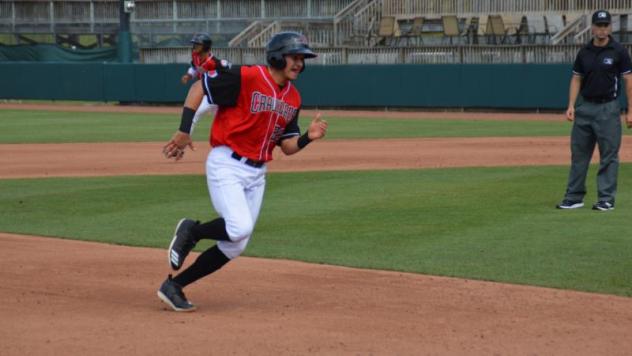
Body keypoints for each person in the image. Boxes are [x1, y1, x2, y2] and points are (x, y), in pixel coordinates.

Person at [157, 31, 328, 312]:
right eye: (294, 57)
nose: (299, 63)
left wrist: (308, 136)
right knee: (239, 227)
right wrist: (184, 129)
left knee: (236, 244)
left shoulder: (293, 98)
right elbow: (199, 87)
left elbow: (286, 147)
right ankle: (193, 231)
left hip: (257, 173)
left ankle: (174, 286)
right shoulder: (248, 77)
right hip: (227, 163)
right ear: (277, 56)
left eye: (302, 58)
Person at [556, 9, 632, 211]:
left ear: (610, 27)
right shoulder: (584, 52)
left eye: (605, 25)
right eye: (599, 25)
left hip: (608, 107)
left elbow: (628, 80)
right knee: (579, 155)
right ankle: (574, 197)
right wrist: (571, 105)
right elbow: (576, 78)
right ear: (592, 27)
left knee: (608, 155)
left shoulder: (619, 51)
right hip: (585, 107)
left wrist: (631, 110)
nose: (602, 29)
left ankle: (606, 199)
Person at [180, 33, 231, 134]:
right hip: (207, 94)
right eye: (194, 44)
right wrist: (189, 75)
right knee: (194, 115)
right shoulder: (195, 56)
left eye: (197, 44)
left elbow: (229, 69)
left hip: (218, 95)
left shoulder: (214, 63)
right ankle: (182, 142)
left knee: (223, 122)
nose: (194, 46)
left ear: (205, 47)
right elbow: (195, 68)